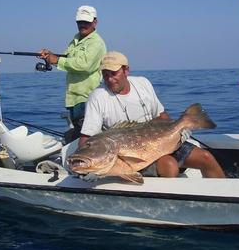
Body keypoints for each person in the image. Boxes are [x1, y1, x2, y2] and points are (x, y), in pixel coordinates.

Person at [79, 51, 225, 179]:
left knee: (206, 157)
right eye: (105, 74)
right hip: (132, 157)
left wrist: (179, 129)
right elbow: (86, 137)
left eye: (114, 73)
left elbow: (162, 116)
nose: (110, 79)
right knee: (169, 165)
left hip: (162, 142)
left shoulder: (143, 83)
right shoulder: (98, 97)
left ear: (126, 70)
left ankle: (224, 199)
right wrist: (86, 168)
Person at [39, 5, 107, 141]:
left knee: (88, 138)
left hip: (87, 98)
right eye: (80, 22)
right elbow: (66, 59)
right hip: (73, 99)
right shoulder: (75, 39)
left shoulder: (96, 43)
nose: (83, 25)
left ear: (95, 22)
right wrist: (50, 57)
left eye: (86, 22)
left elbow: (84, 65)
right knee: (79, 134)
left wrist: (56, 60)